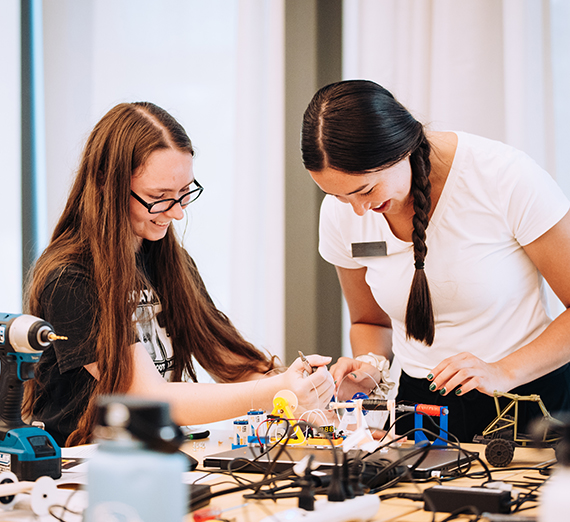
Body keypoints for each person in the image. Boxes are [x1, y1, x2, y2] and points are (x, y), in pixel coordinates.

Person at [24, 101, 334, 447]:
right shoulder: (69, 279)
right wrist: (275, 391)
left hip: (149, 455)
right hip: (79, 466)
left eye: (184, 194)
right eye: (158, 197)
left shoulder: (170, 262)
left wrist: (310, 391)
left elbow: (229, 361)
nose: (177, 214)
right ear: (104, 183)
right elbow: (148, 396)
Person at [300, 79, 570, 442]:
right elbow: (370, 322)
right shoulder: (343, 210)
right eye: (336, 195)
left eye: (366, 190)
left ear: (402, 150)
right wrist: (369, 367)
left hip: (528, 399)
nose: (358, 209)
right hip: (421, 407)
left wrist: (502, 371)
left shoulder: (503, 176)